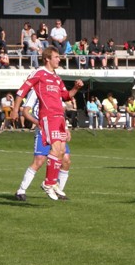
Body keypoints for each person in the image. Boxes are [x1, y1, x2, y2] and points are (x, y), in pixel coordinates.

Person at [11, 47, 84, 201]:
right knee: (48, 155)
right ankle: (41, 185)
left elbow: (66, 96)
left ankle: (54, 185)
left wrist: (76, 88)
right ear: (47, 59)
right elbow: (22, 91)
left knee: (63, 154)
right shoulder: (39, 74)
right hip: (47, 119)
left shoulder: (56, 78)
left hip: (59, 119)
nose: (59, 59)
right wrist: (15, 110)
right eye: (56, 57)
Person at [14, 88, 73, 202]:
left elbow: (60, 111)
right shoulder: (35, 91)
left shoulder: (55, 89)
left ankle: (57, 190)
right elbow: (26, 111)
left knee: (66, 160)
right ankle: (21, 191)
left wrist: (65, 128)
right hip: (43, 132)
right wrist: (38, 123)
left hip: (56, 129)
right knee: (39, 160)